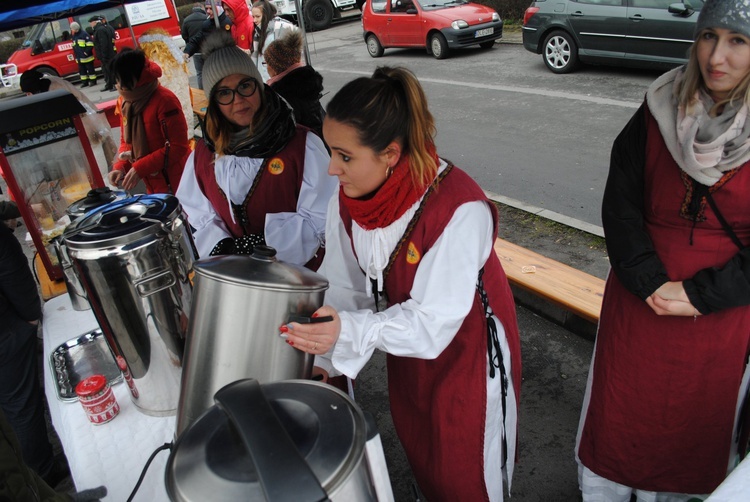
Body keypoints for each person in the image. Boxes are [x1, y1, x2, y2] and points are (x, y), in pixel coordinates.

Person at [280, 66, 522, 501]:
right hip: (406, 344)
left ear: (390, 154)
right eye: (330, 151)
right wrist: (327, 356)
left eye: (345, 156)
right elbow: (346, 283)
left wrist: (353, 331)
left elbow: (433, 321)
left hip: (467, 355)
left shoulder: (459, 207)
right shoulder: (350, 197)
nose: (332, 169)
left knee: (466, 469)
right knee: (423, 448)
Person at [576, 1, 750, 499]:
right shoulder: (659, 107)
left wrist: (701, 294)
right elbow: (621, 201)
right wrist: (648, 279)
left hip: (721, 315)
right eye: (709, 36)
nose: (717, 56)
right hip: (639, 300)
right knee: (622, 415)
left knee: (696, 431)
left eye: (738, 41)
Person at [176, 30, 336, 267]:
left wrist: (265, 245)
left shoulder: (302, 145)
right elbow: (195, 214)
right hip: (238, 284)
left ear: (259, 86)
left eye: (245, 86)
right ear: (214, 101)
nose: (238, 99)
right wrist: (222, 245)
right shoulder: (203, 155)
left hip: (300, 281)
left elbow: (324, 215)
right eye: (224, 93)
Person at [0, 223, 68, 489]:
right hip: (6, 335)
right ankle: (43, 471)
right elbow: (15, 277)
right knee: (21, 407)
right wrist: (29, 319)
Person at [107, 49, 190, 194]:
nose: (118, 85)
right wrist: (120, 166)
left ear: (133, 78)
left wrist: (140, 168)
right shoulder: (126, 102)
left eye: (120, 80)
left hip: (178, 180)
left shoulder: (165, 100)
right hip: (153, 183)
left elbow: (178, 147)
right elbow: (126, 142)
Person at [19, 69, 118, 183]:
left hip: (88, 128)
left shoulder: (54, 92)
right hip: (84, 127)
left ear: (34, 89)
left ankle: (104, 184)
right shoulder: (48, 83)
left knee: (98, 165)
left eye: (28, 93)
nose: (27, 96)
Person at [265, 30, 325, 138]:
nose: (266, 67)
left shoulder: (280, 98)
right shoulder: (306, 83)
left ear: (275, 68)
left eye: (267, 63)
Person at [251, 0, 297, 82]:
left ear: (266, 15)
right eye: (253, 17)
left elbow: (269, 64)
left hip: (273, 80)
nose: (254, 20)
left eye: (257, 16)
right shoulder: (259, 32)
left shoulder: (271, 35)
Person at [182, 2, 207, 89]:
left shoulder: (186, 20)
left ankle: (202, 92)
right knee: (212, 71)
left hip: (195, 51)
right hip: (208, 49)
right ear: (202, 8)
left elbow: (184, 35)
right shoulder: (206, 18)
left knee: (200, 73)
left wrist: (189, 44)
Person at [88, 16, 116, 92]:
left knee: (110, 70)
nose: (91, 25)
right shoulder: (99, 29)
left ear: (95, 22)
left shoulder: (100, 30)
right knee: (105, 71)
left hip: (106, 55)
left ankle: (114, 84)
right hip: (104, 55)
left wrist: (103, 55)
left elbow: (104, 44)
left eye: (91, 23)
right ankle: (109, 85)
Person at [71, 22, 96, 88]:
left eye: (72, 29)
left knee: (90, 70)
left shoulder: (84, 34)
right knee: (82, 71)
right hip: (79, 57)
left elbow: (90, 44)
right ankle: (85, 83)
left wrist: (86, 52)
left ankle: (93, 81)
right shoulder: (74, 36)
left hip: (87, 57)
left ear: (75, 29)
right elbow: (74, 46)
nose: (71, 30)